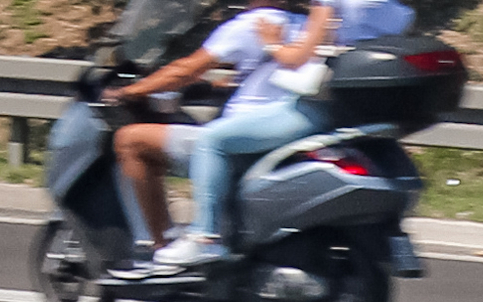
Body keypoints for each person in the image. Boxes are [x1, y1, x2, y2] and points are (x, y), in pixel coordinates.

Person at [110, 0, 414, 273]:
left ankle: (205, 236)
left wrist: (272, 44)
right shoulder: (400, 12)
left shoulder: (318, 6)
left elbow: (296, 59)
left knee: (211, 140)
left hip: (316, 106)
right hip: (353, 113)